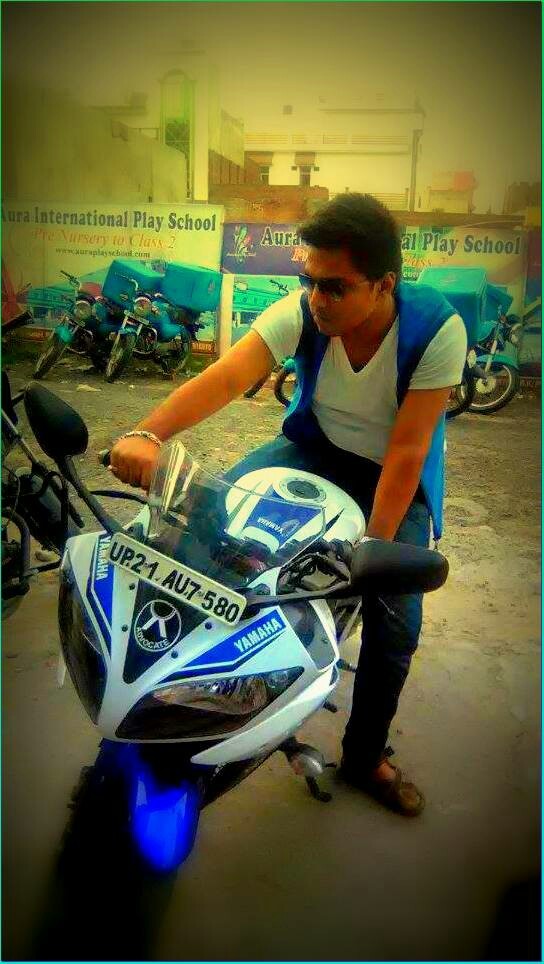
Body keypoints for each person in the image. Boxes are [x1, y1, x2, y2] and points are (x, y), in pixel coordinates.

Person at [110, 193, 467, 817]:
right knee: (205, 524)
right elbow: (226, 378)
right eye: (309, 281)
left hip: (390, 475)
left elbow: (408, 451)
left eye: (334, 286)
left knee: (393, 619)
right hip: (311, 449)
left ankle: (364, 755)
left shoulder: (438, 330)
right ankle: (169, 692)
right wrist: (146, 434)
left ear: (384, 285)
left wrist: (365, 554)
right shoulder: (302, 312)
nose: (316, 298)